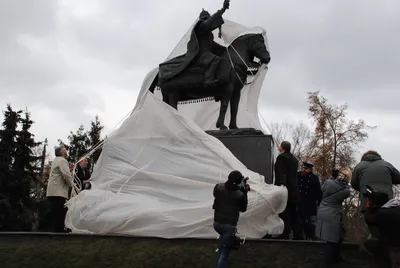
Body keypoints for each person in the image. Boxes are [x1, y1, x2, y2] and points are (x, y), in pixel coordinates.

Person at [158, 0, 230, 87]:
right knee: (215, 60)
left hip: (207, 54)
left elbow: (213, 45)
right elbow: (211, 20)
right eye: (208, 20)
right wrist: (223, 9)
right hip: (200, 55)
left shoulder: (208, 34)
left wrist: (227, 50)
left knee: (222, 60)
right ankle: (208, 79)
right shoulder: (201, 27)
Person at [351, 150, 400, 237]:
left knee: (373, 225)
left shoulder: (359, 166)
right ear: (378, 156)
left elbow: (354, 184)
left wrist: (363, 187)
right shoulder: (386, 164)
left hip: (368, 202)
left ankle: (374, 241)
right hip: (387, 201)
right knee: (388, 228)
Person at [213, 170, 249, 268]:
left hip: (217, 223)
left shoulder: (218, 187)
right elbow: (243, 209)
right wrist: (244, 192)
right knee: (225, 255)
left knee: (222, 246)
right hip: (228, 225)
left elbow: (218, 195)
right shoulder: (240, 195)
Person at [316, 168, 351, 267]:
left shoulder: (328, 182)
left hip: (322, 211)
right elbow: (344, 187)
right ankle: (329, 263)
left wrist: (333, 176)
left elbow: (323, 189)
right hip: (332, 214)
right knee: (331, 240)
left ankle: (336, 257)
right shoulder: (346, 191)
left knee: (339, 235)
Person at [363, 189, 400, 267]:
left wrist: (367, 207)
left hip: (392, 246)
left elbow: (369, 220)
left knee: (370, 244)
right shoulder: (396, 207)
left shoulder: (382, 213)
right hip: (394, 242)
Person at [274, 141, 303, 240]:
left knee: (284, 211)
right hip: (294, 189)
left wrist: (281, 184)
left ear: (282, 148)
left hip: (286, 188)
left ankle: (285, 233)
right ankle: (298, 234)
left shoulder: (281, 158)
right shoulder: (294, 159)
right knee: (294, 212)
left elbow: (280, 172)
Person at [45, 146, 74, 232]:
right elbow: (66, 175)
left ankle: (57, 230)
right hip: (58, 192)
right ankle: (59, 231)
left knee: (56, 211)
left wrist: (69, 169)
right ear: (62, 152)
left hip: (53, 191)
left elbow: (61, 173)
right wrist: (72, 184)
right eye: (65, 150)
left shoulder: (57, 160)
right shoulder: (62, 160)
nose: (66, 151)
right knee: (60, 212)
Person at [298, 162, 322, 240]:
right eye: (303, 168)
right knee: (300, 221)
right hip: (299, 202)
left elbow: (318, 191)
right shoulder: (298, 175)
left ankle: (311, 236)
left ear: (310, 169)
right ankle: (300, 235)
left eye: (306, 169)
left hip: (310, 203)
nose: (304, 170)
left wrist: (319, 201)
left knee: (311, 222)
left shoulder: (314, 178)